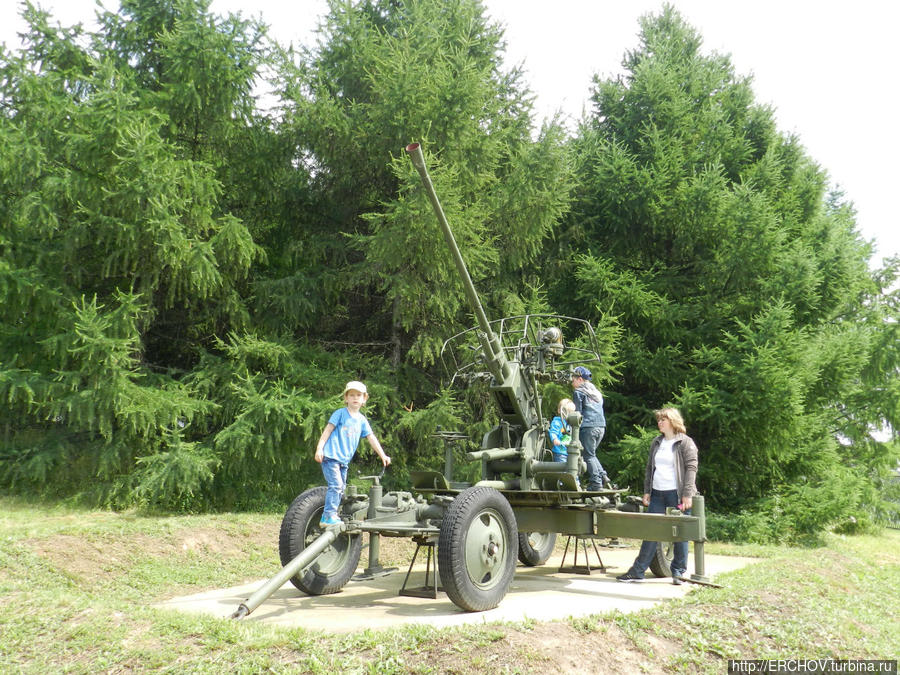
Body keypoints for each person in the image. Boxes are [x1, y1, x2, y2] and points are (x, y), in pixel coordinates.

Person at [616, 407, 699, 585]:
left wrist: (687, 494)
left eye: (663, 419)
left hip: (676, 494)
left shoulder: (685, 442)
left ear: (673, 421)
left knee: (680, 534)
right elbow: (649, 469)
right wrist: (647, 491)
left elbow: (692, 468)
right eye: (659, 419)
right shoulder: (657, 442)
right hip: (657, 493)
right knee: (650, 532)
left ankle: (678, 573)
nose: (659, 422)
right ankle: (638, 571)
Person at [314, 380, 390, 526]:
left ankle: (333, 514)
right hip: (331, 456)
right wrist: (319, 448)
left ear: (364, 399)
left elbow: (371, 438)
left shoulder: (362, 420)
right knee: (336, 485)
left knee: (341, 488)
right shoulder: (340, 414)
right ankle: (327, 516)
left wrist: (383, 455)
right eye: (352, 395)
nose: (355, 398)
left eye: (359, 395)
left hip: (344, 461)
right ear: (346, 398)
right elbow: (327, 431)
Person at [571, 365, 609, 490]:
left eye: (573, 380)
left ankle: (596, 483)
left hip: (588, 427)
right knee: (592, 454)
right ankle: (603, 477)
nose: (572, 382)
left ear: (580, 379)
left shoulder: (579, 392)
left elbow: (578, 414)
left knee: (588, 456)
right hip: (601, 427)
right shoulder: (596, 393)